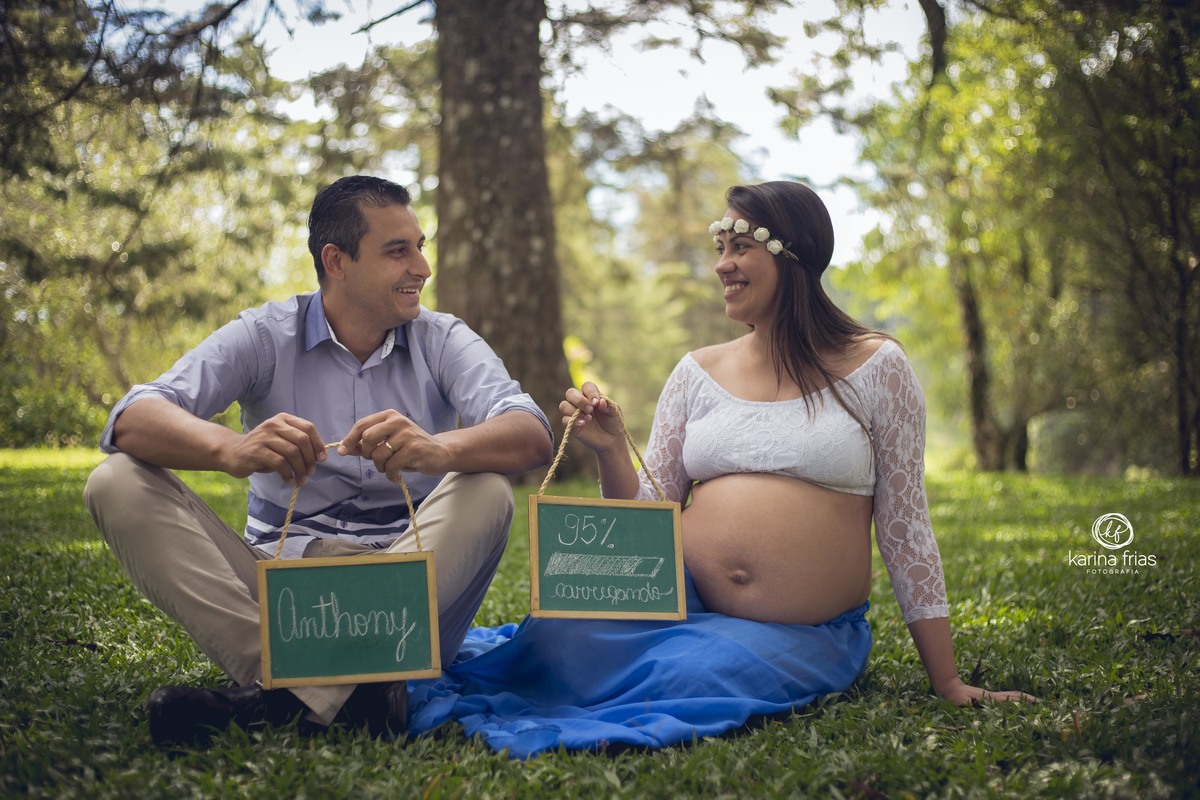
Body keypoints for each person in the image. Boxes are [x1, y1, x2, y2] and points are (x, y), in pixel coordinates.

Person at [403, 180, 1033, 758]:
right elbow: (647, 525)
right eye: (720, 246)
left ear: (792, 256)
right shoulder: (697, 371)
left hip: (799, 631)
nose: (721, 264)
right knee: (563, 633)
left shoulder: (876, 367)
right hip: (678, 595)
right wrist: (611, 450)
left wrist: (946, 680)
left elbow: (906, 529)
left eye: (739, 248)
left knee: (695, 672)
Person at [83, 175, 553, 746]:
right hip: (280, 590)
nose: (422, 268)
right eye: (398, 251)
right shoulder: (263, 335)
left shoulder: (443, 338)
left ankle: (281, 699)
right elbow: (133, 416)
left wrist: (439, 449)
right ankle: (353, 690)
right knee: (116, 480)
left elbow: (531, 432)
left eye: (420, 247)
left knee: (485, 489)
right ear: (337, 260)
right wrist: (229, 449)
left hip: (408, 599)